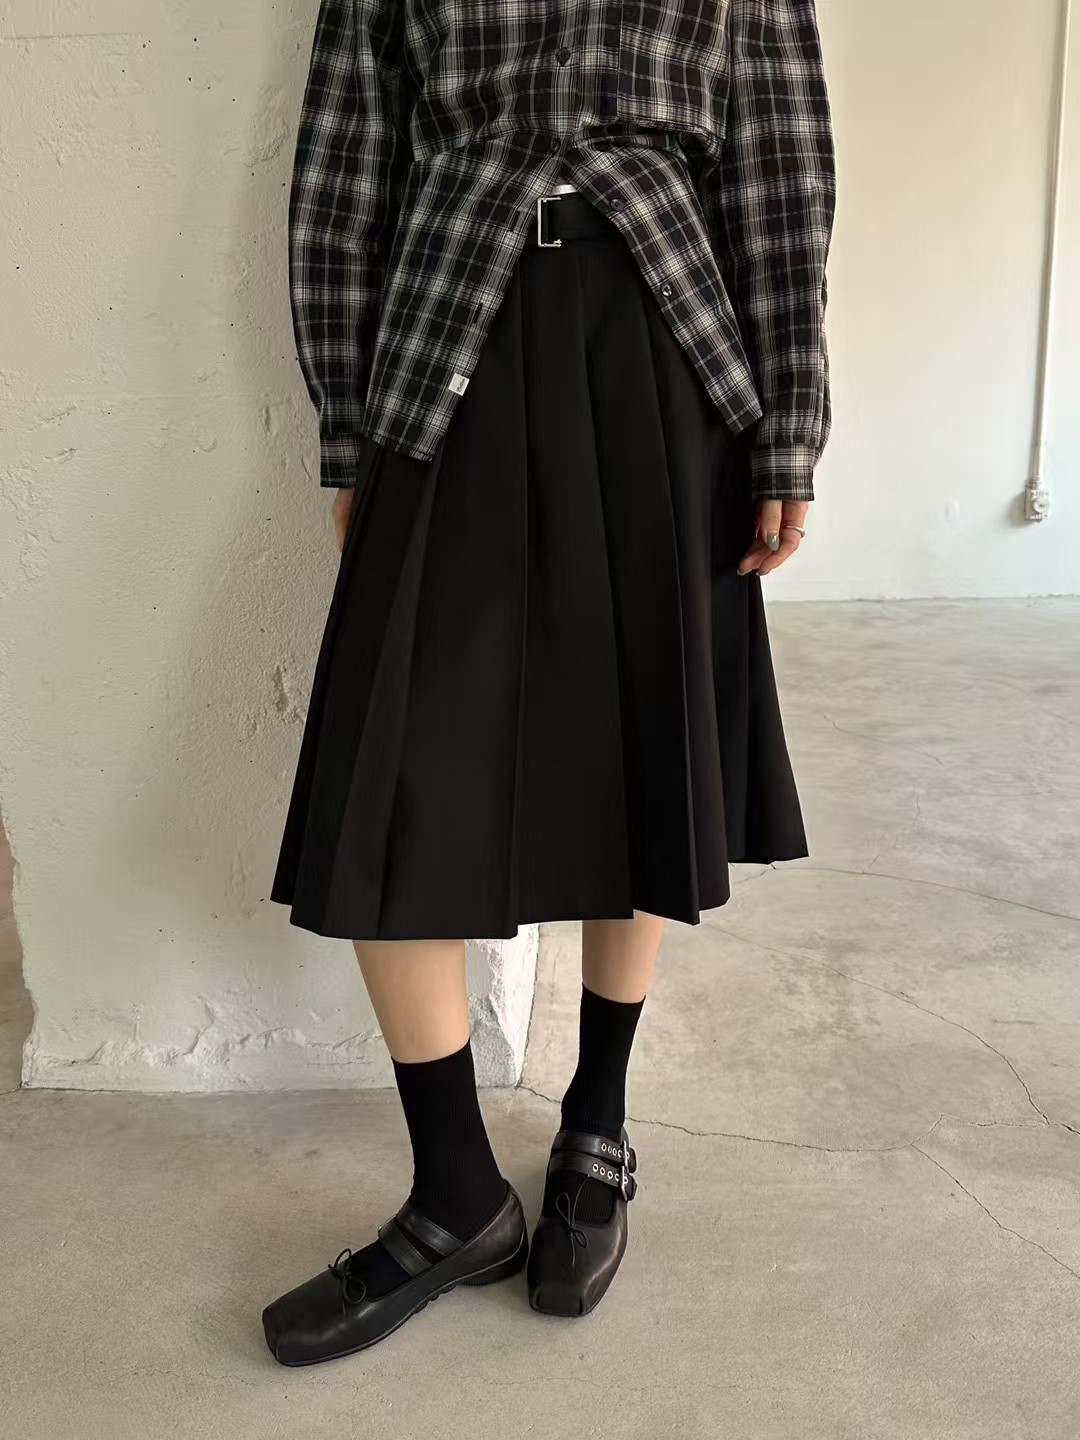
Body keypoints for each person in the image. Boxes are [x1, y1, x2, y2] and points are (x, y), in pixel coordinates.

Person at [262, 0, 835, 1364]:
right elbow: (344, 172)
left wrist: (788, 432)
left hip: (665, 354)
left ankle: (598, 1121)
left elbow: (781, 179)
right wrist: (347, 430)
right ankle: (457, 1193)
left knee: (644, 743)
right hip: (444, 353)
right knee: (393, 780)